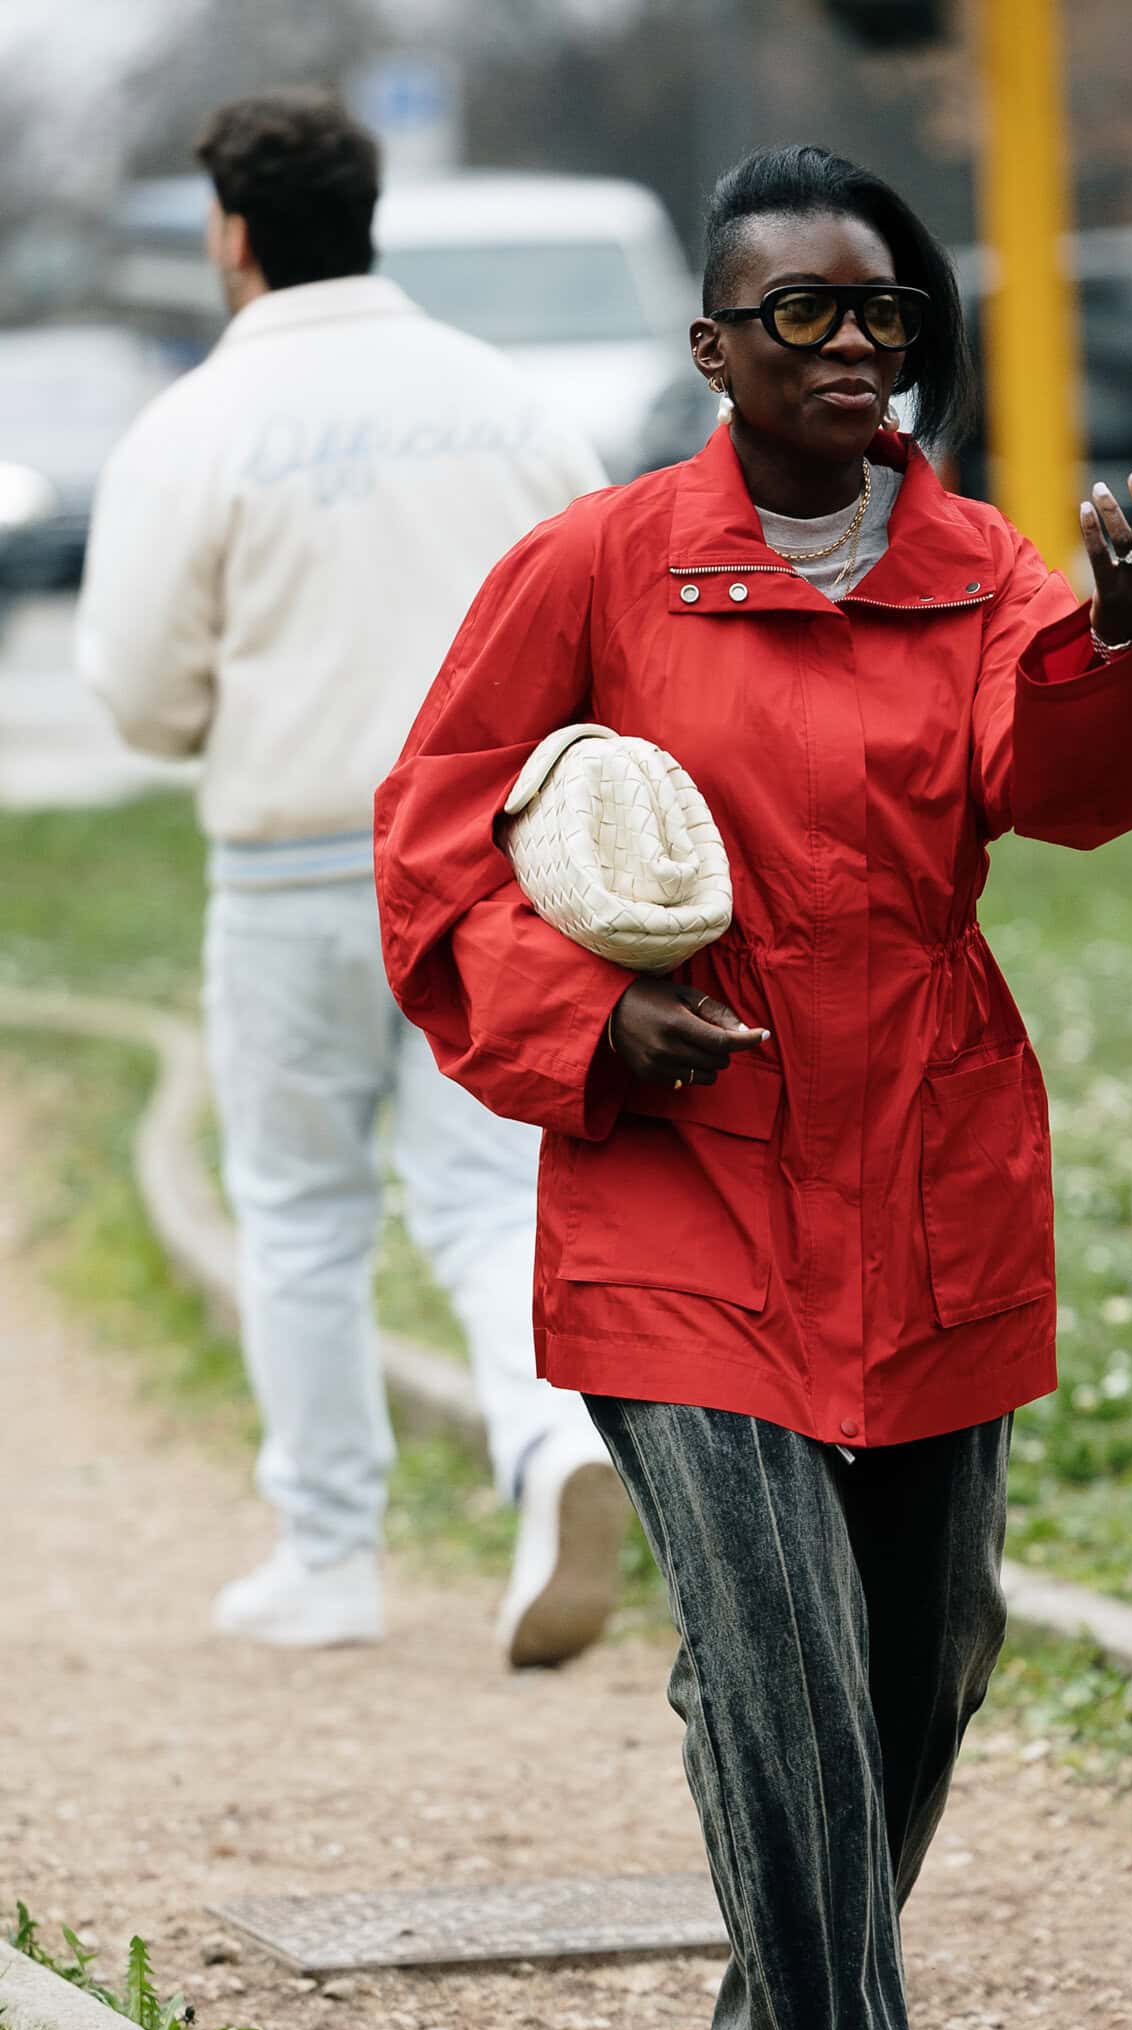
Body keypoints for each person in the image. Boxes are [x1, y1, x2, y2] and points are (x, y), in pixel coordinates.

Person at [378, 143, 1132, 2030]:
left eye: (885, 314)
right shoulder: (602, 565)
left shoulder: (975, 560)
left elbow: (1077, 789)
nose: (856, 348)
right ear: (713, 348)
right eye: (806, 316)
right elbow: (433, 849)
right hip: (687, 1178)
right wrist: (588, 1013)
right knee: (787, 1676)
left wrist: (1121, 637)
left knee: (927, 1654)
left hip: (930, 1161)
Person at [77, 90, 628, 1664]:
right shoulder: (502, 401)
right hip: (495, 861)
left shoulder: (191, 430)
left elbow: (139, 694)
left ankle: (327, 1557)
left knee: (302, 1212)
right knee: (482, 1192)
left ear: (234, 233)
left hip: (291, 867)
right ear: (369, 214)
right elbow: (605, 602)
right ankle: (547, 1443)